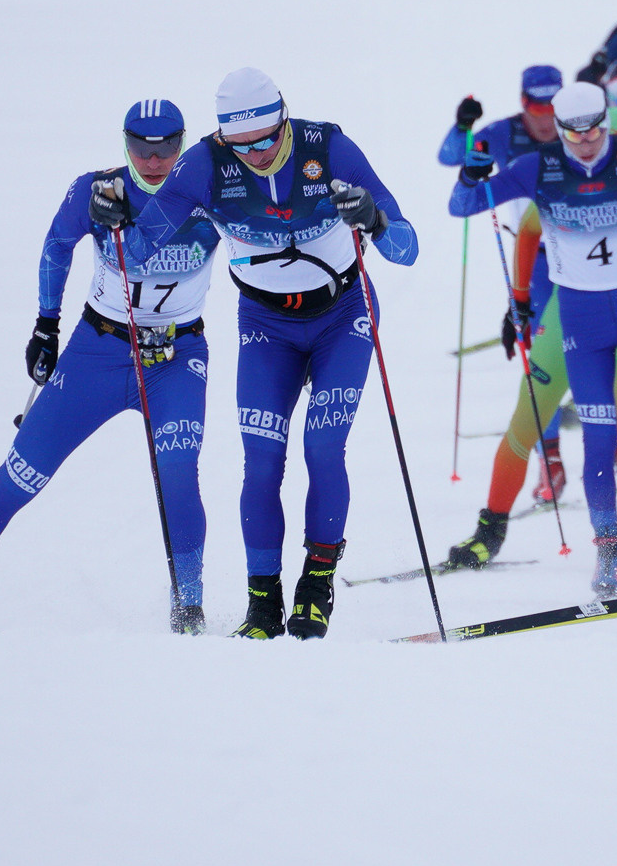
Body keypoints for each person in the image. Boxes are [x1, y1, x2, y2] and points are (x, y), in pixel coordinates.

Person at [0, 101, 220, 635]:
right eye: (141, 148)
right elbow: (57, 245)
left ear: (183, 142)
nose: (154, 160)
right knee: (20, 476)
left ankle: (189, 608)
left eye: (168, 147)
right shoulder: (97, 189)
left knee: (178, 475)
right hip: (97, 352)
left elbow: (263, 236)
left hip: (175, 357)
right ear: (124, 143)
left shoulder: (207, 191)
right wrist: (45, 326)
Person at [112, 69, 417, 640]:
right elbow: (141, 239)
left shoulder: (328, 148)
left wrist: (373, 217)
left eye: (266, 140)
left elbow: (407, 248)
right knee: (262, 463)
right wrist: (110, 211)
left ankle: (316, 586)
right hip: (265, 325)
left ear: (284, 119)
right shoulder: (205, 163)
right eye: (241, 144)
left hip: (341, 316)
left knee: (322, 446)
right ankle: (262, 604)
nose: (255, 154)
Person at [450, 83, 617, 594]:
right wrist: (520, 304)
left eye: (603, 131)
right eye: (579, 133)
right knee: (580, 432)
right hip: (576, 320)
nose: (591, 143)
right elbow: (486, 213)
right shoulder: (548, 170)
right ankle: (587, 544)